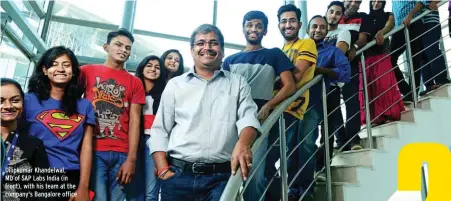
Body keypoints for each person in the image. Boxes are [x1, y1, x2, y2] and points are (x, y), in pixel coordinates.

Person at [148, 24, 261, 201]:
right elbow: (160, 129)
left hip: (222, 178)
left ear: (222, 51)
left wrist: (244, 143)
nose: (207, 47)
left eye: (213, 43)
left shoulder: (238, 82)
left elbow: (248, 118)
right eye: (200, 43)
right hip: (178, 177)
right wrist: (163, 169)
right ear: (192, 50)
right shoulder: (175, 85)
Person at [222, 10, 296, 201]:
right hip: (231, 121)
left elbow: (290, 86)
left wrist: (269, 105)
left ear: (265, 31)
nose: (253, 29)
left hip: (260, 121)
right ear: (243, 29)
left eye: (258, 25)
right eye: (249, 25)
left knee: (255, 174)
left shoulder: (274, 55)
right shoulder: (230, 60)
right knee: (228, 172)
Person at [79, 28, 146, 201]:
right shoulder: (86, 71)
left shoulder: (135, 82)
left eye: (128, 48)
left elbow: (135, 122)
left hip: (122, 153)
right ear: (106, 47)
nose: (123, 50)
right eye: (118, 45)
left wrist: (131, 159)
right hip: (93, 149)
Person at [25, 46, 95, 201]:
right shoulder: (27, 101)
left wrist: (83, 187)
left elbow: (87, 147)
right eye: (54, 64)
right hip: (33, 174)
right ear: (44, 70)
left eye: (66, 65)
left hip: (69, 175)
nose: (60, 69)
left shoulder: (85, 106)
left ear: (74, 71)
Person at [264, 4, 318, 201]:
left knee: (271, 158)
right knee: (267, 159)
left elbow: (296, 76)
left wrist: (275, 83)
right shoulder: (280, 50)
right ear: (279, 25)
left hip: (290, 110)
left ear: (300, 24)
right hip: (276, 108)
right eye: (284, 21)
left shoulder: (307, 44)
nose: (288, 24)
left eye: (292, 20)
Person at [305, 15, 352, 200]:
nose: (318, 30)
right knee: (301, 142)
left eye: (322, 27)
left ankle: (321, 168)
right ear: (307, 29)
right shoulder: (299, 48)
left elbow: (346, 73)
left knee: (322, 135)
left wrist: (321, 71)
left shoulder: (332, 52)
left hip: (323, 97)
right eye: (314, 26)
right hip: (298, 103)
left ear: (327, 31)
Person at [316, 0, 353, 183]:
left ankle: (323, 167)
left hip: (330, 85)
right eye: (331, 12)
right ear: (327, 12)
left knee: (327, 127)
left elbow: (336, 55)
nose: (334, 16)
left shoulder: (343, 33)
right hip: (313, 87)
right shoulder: (318, 31)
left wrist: (316, 68)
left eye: (338, 13)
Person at [1, 78, 50, 201]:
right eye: (1, 101)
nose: (8, 106)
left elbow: (43, 190)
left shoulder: (34, 145)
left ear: (22, 105)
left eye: (15, 100)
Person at [359, 0, 405, 126]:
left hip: (382, 52)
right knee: (370, 87)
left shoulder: (388, 14)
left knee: (384, 85)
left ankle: (390, 114)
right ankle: (374, 118)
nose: (376, 3)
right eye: (374, 1)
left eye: (379, 1)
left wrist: (381, 32)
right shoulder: (365, 17)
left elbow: (390, 25)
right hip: (367, 55)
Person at [335, 0, 370, 151]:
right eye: (350, 0)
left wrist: (354, 47)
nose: (353, 3)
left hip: (350, 65)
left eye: (357, 1)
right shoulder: (334, 14)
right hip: (331, 67)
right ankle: (341, 139)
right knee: (332, 105)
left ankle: (352, 138)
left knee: (352, 102)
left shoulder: (362, 16)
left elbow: (363, 38)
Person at [135, 55, 168, 201]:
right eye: (149, 65)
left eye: (157, 67)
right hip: (133, 141)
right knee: (134, 191)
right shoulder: (133, 89)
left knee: (151, 192)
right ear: (142, 69)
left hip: (154, 142)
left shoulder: (165, 94)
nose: (153, 69)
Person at [391, 1, 426, 102]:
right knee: (389, 59)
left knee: (415, 59)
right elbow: (395, 13)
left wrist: (410, 15)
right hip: (399, 28)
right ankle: (406, 91)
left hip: (414, 22)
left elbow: (421, 2)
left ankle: (413, 93)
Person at [415, 0, 450, 96]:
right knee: (423, 55)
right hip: (419, 24)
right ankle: (429, 85)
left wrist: (434, 1)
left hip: (431, 21)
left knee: (432, 49)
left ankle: (442, 79)